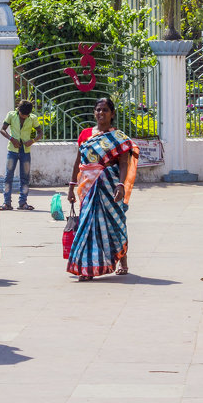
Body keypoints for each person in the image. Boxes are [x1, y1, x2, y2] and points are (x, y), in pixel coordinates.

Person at [66, 97, 139, 279]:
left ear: (112, 114)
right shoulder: (85, 135)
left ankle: (122, 259)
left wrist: (121, 185)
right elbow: (78, 162)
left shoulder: (118, 138)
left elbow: (123, 164)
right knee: (88, 225)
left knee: (116, 223)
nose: (101, 113)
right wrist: (71, 187)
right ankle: (87, 268)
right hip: (87, 186)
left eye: (105, 110)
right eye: (98, 109)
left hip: (110, 186)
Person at [0, 99, 39, 210]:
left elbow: (40, 132)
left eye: (26, 116)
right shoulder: (11, 115)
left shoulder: (32, 118)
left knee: (25, 178)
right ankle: (6, 203)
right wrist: (12, 139)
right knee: (8, 176)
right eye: (22, 115)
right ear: (18, 110)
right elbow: (2, 130)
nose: (24, 117)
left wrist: (33, 140)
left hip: (25, 151)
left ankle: (23, 203)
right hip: (12, 150)